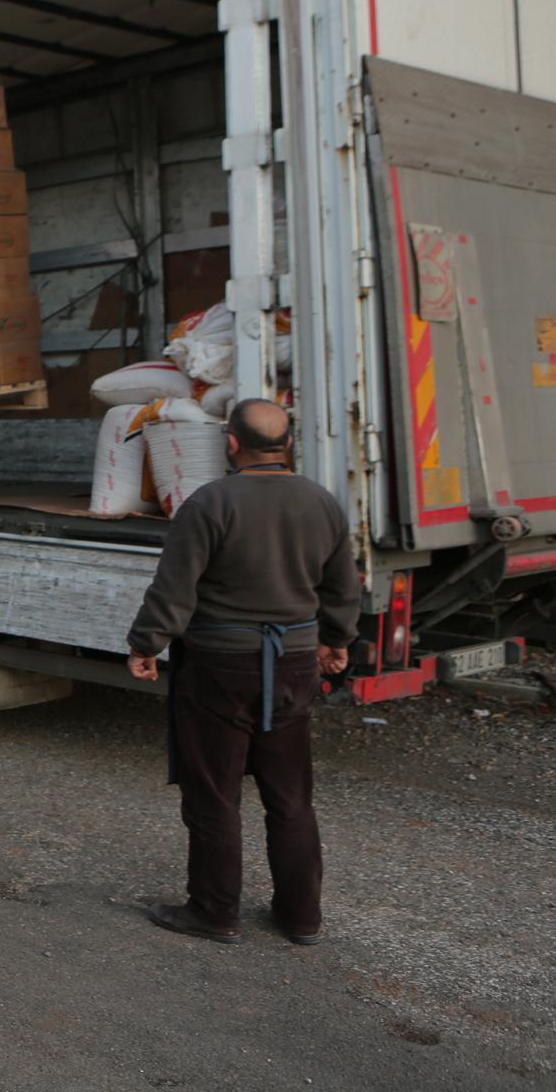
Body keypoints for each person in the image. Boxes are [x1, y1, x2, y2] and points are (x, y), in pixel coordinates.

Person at [126, 398, 359, 945]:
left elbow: (174, 587)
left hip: (219, 667)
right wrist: (337, 640)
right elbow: (343, 586)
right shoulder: (321, 503)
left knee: (214, 793)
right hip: (295, 665)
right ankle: (302, 918)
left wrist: (146, 643)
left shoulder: (210, 503)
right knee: (291, 797)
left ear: (231, 442)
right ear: (288, 443)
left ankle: (214, 912)